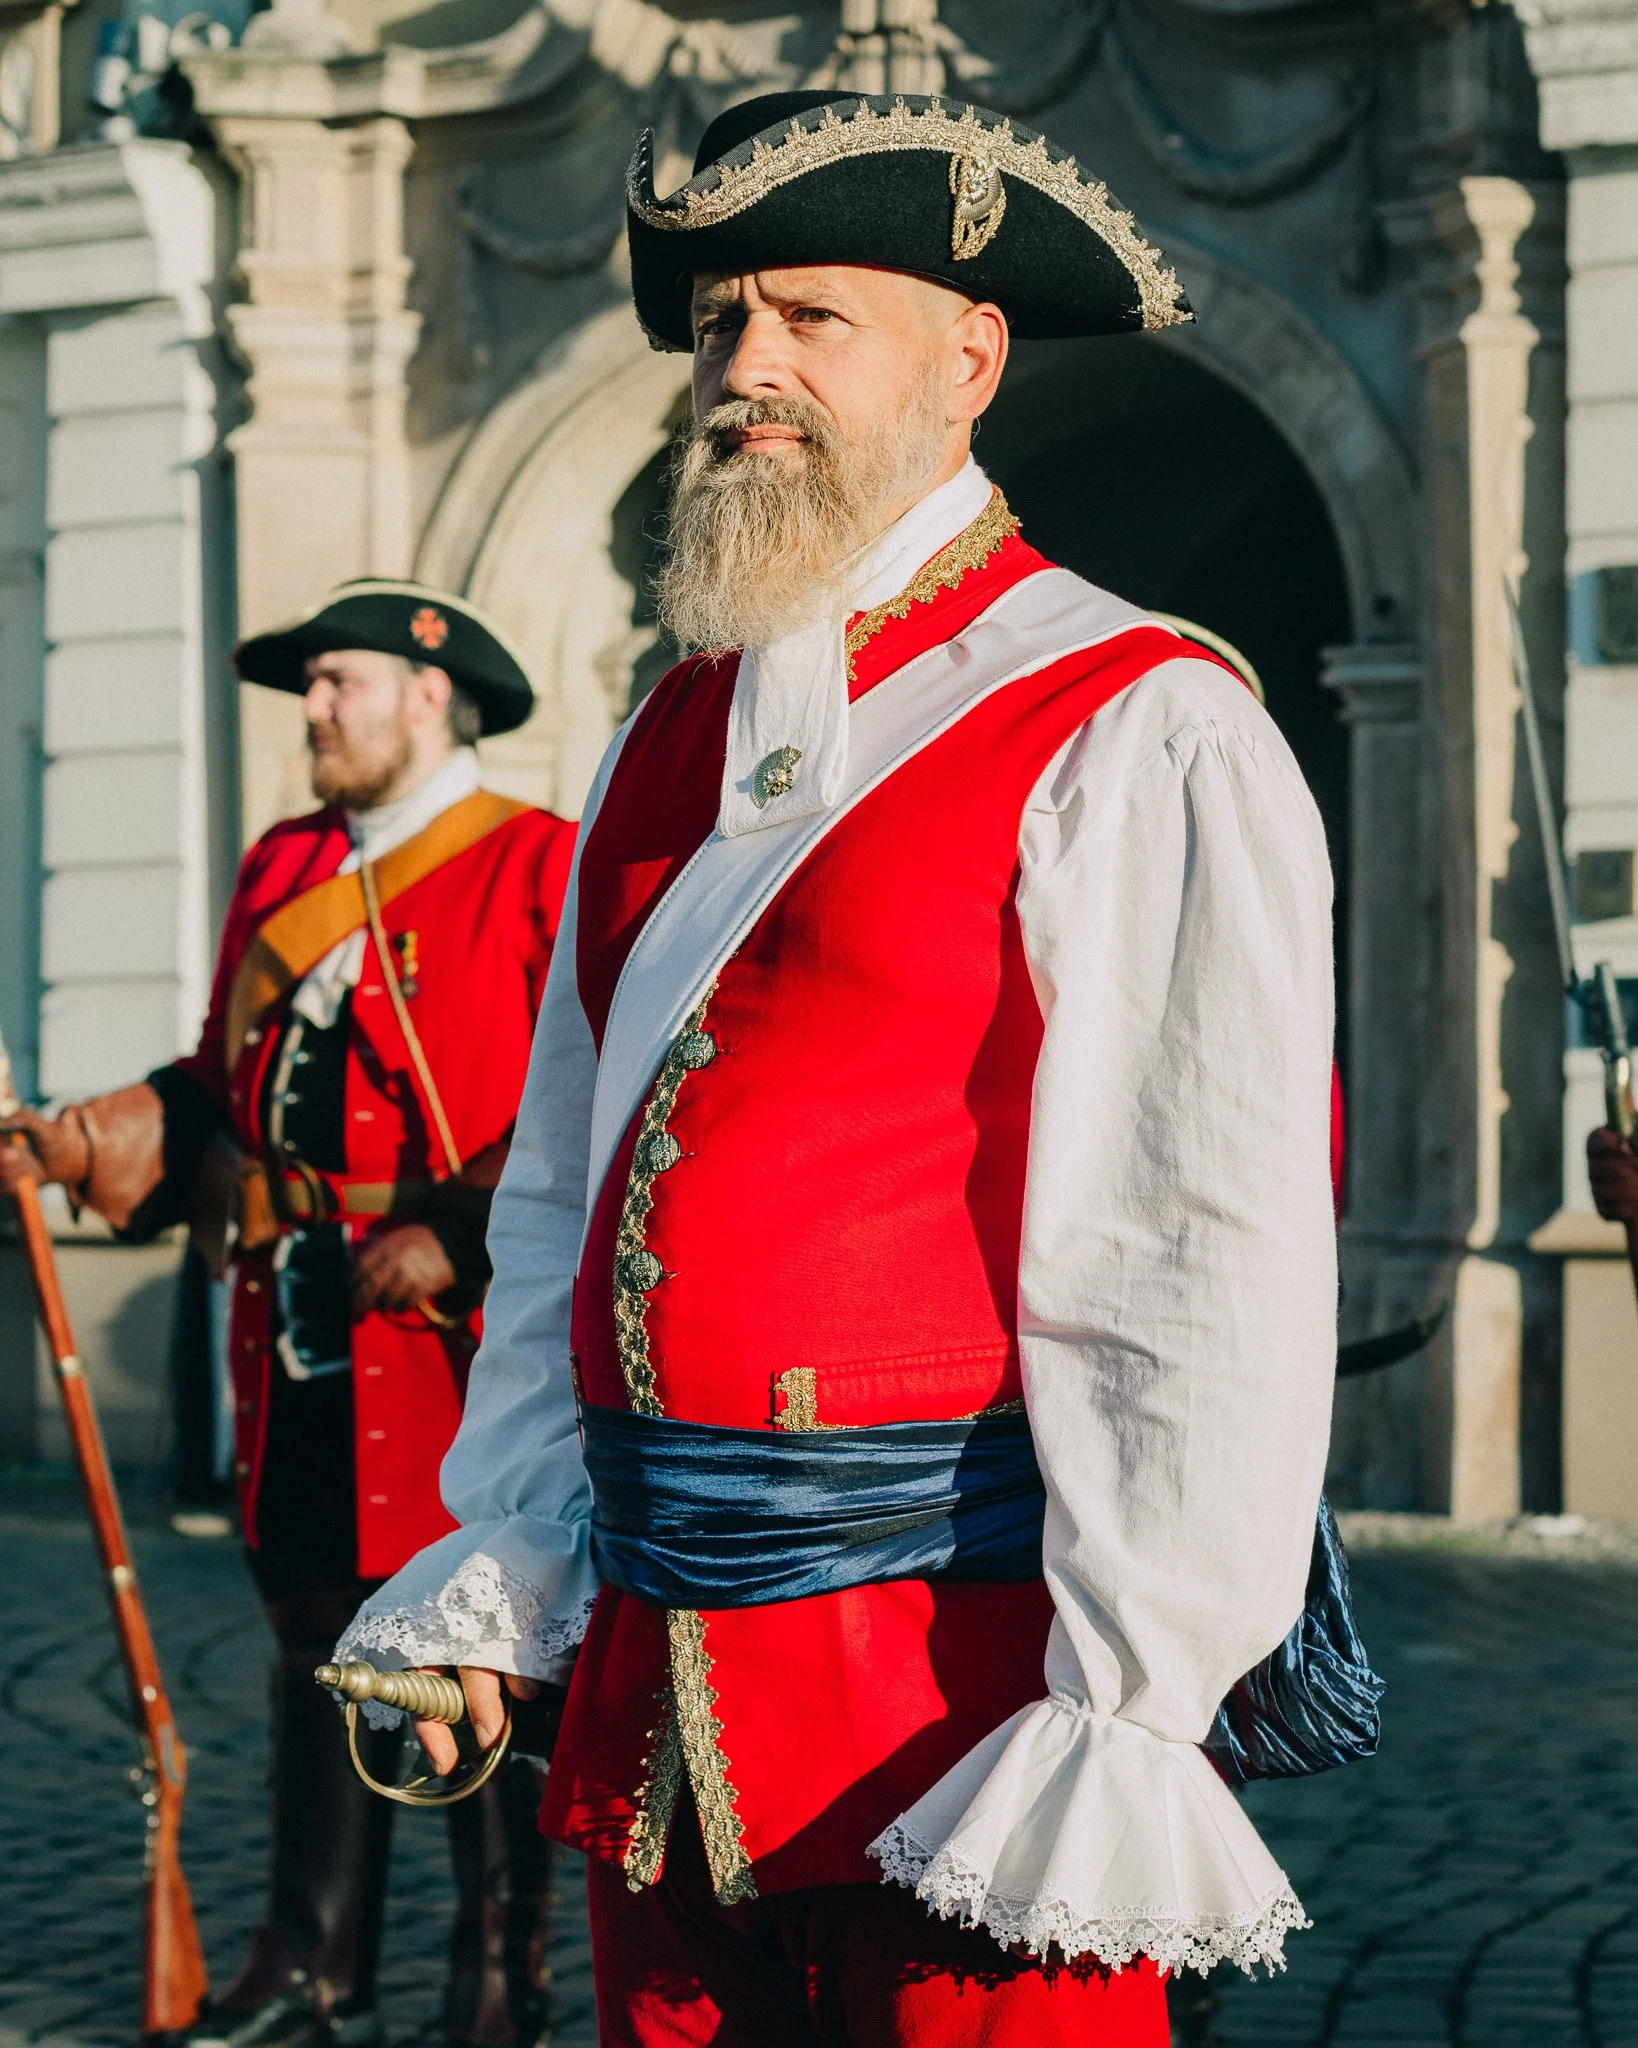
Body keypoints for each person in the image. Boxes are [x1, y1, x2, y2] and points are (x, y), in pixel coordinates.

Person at [338, 91, 1339, 2047]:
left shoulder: (1133, 715)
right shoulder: (664, 734)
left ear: (971, 360)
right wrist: (518, 1537)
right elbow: (560, 1189)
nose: (747, 369)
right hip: (658, 1703)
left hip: (960, 1711)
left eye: (813, 317)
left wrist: (1132, 1695)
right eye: (721, 325)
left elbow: (1195, 1255)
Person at [0, 580, 576, 2048]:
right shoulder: (283, 867)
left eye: (337, 682)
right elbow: (215, 1079)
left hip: (457, 1344)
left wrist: (452, 1232)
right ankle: (308, 1968)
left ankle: (498, 1984)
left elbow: (588, 1091)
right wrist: (85, 1140)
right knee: (320, 1643)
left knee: (476, 1649)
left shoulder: (534, 867)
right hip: (296, 1327)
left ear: (429, 694)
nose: (312, 711)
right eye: (311, 685)